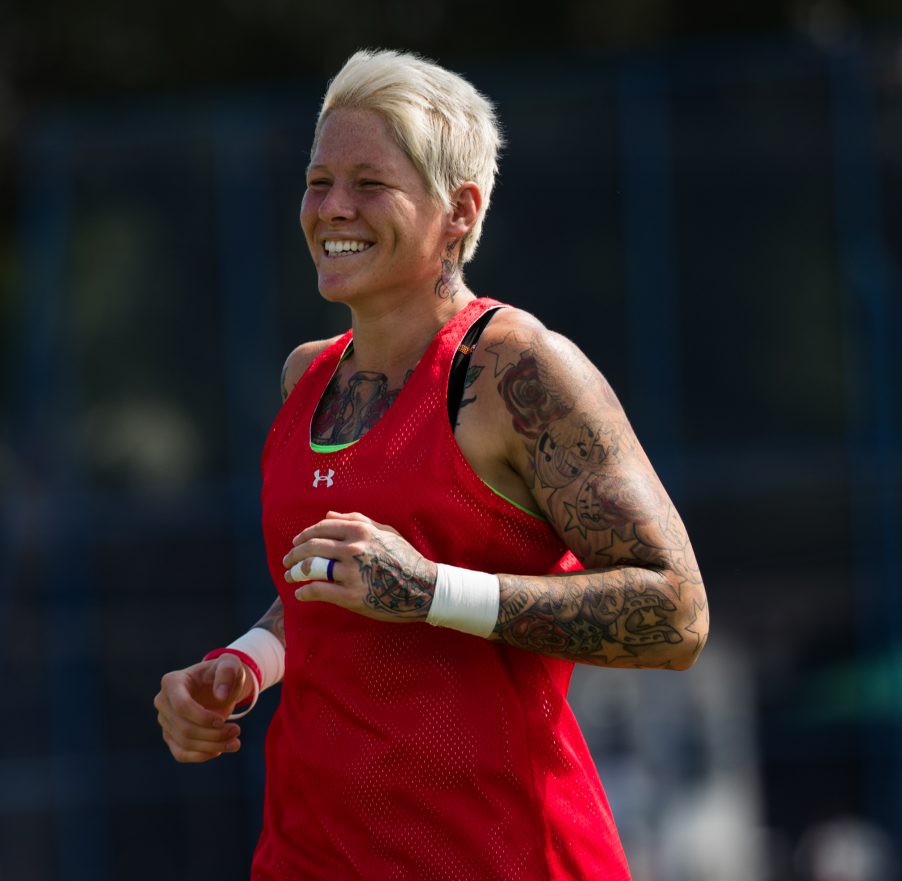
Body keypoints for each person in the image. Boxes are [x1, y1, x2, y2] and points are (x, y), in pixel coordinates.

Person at [153, 48, 708, 880]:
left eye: (370, 183)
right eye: (318, 180)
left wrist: (428, 591)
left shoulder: (515, 371)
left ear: (459, 208)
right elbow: (336, 583)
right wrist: (242, 664)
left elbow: (675, 615)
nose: (332, 207)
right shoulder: (307, 375)